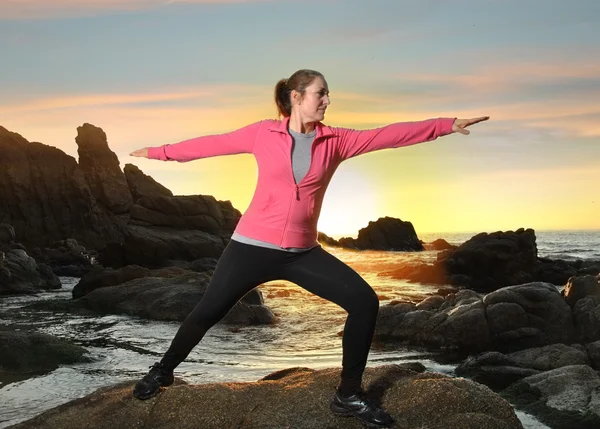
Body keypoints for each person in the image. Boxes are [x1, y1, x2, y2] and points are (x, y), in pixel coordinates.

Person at [129, 68, 489, 428]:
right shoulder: (263, 132)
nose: (328, 101)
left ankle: (348, 395)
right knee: (208, 311)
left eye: (328, 94)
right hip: (251, 247)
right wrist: (161, 152)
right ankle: (163, 371)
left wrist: (446, 124)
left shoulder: (336, 140)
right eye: (322, 93)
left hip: (302, 253)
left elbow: (388, 135)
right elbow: (211, 144)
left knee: (364, 302)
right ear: (297, 97)